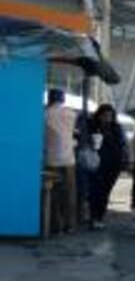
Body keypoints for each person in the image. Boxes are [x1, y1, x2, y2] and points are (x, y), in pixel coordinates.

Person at [44, 89, 78, 234]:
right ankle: (69, 225)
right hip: (69, 159)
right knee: (69, 193)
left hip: (51, 159)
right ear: (63, 99)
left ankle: (54, 226)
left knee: (52, 193)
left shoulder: (45, 114)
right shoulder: (71, 114)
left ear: (50, 99)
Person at [88, 104, 126, 228]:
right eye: (104, 115)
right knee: (95, 191)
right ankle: (95, 217)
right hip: (96, 164)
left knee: (105, 191)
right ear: (99, 115)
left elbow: (120, 144)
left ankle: (99, 216)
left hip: (113, 164)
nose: (107, 118)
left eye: (109, 116)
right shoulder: (92, 125)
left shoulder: (116, 128)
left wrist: (107, 135)